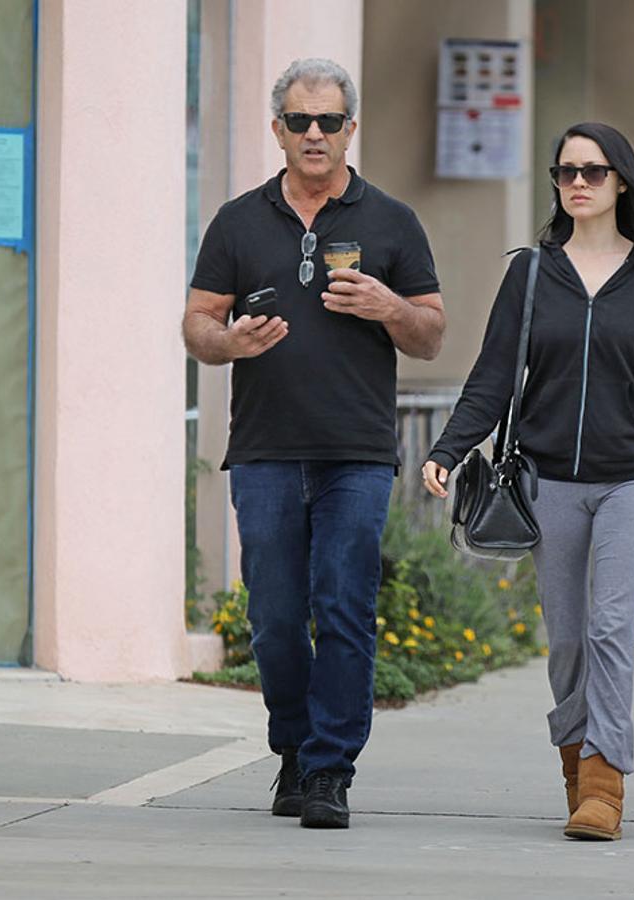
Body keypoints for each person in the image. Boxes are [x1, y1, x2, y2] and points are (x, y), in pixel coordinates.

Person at [422, 122, 634, 841]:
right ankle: (575, 769)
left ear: (619, 181)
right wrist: (449, 446)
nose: (578, 183)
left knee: (606, 627)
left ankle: (604, 781)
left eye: (593, 171)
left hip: (629, 479)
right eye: (566, 171)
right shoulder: (531, 274)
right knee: (565, 638)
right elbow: (493, 375)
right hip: (546, 481)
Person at [183, 58, 445, 829]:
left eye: (329, 121)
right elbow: (196, 324)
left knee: (343, 608)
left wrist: (387, 304)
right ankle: (292, 749)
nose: (315, 134)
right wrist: (227, 343)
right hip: (263, 450)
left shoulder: (391, 221)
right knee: (271, 614)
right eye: (300, 121)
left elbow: (430, 335)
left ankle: (328, 769)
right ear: (278, 130)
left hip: (355, 453)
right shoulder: (237, 220)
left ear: (348, 129)